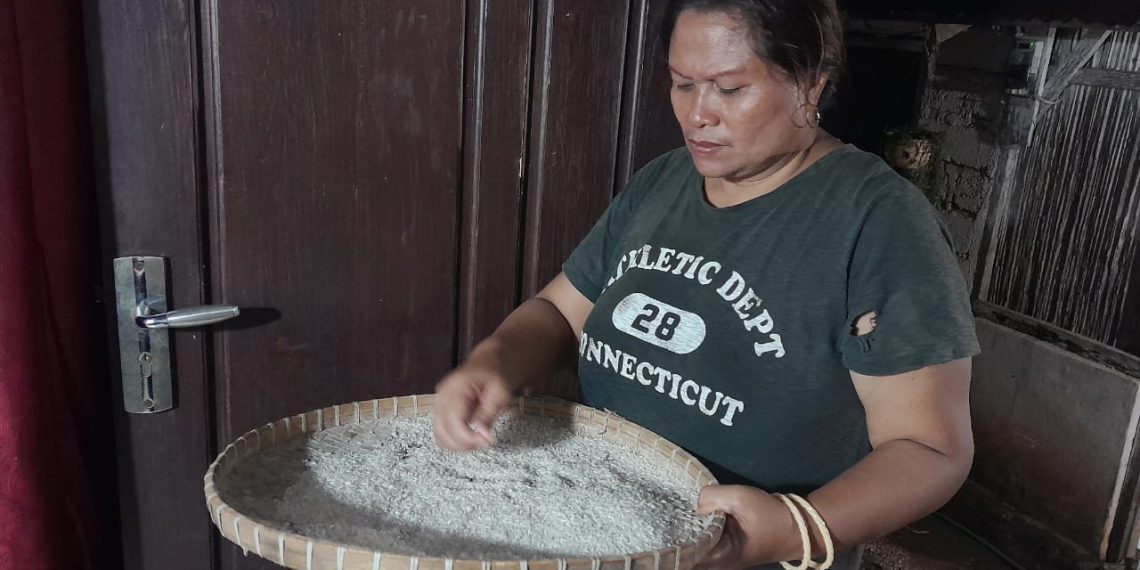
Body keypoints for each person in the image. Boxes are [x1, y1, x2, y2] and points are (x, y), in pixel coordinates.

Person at [433, 0, 980, 568]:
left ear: (810, 86)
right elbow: (559, 311)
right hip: (608, 528)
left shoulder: (878, 222)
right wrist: (494, 361)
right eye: (682, 85)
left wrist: (796, 528)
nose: (698, 115)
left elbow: (930, 450)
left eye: (729, 88)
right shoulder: (663, 181)